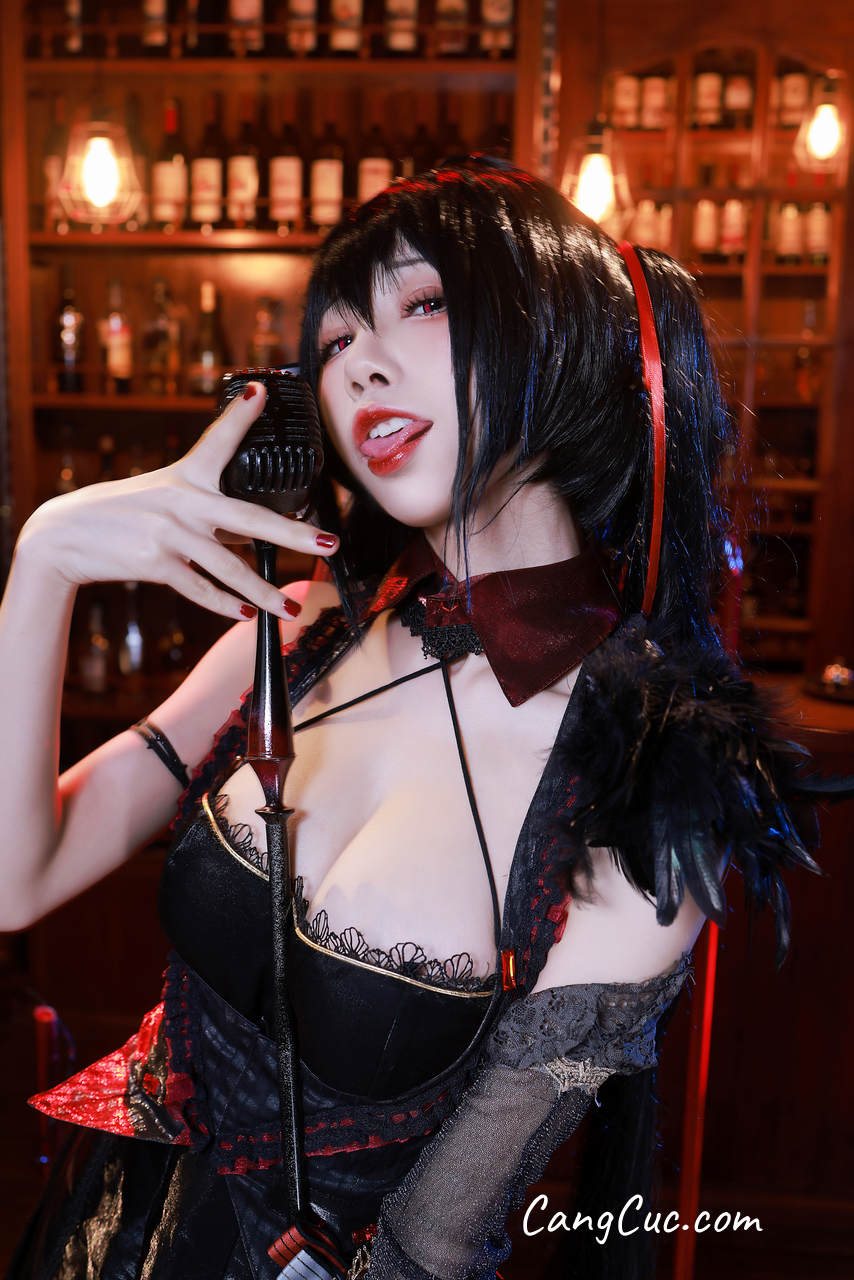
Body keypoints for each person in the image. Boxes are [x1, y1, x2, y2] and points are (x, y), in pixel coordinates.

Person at [0, 160, 831, 1280]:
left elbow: (425, 1248)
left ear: (561, 336)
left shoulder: (644, 796)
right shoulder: (296, 628)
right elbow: (15, 878)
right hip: (86, 1229)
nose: (360, 365)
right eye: (334, 341)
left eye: (424, 303)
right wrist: (45, 561)